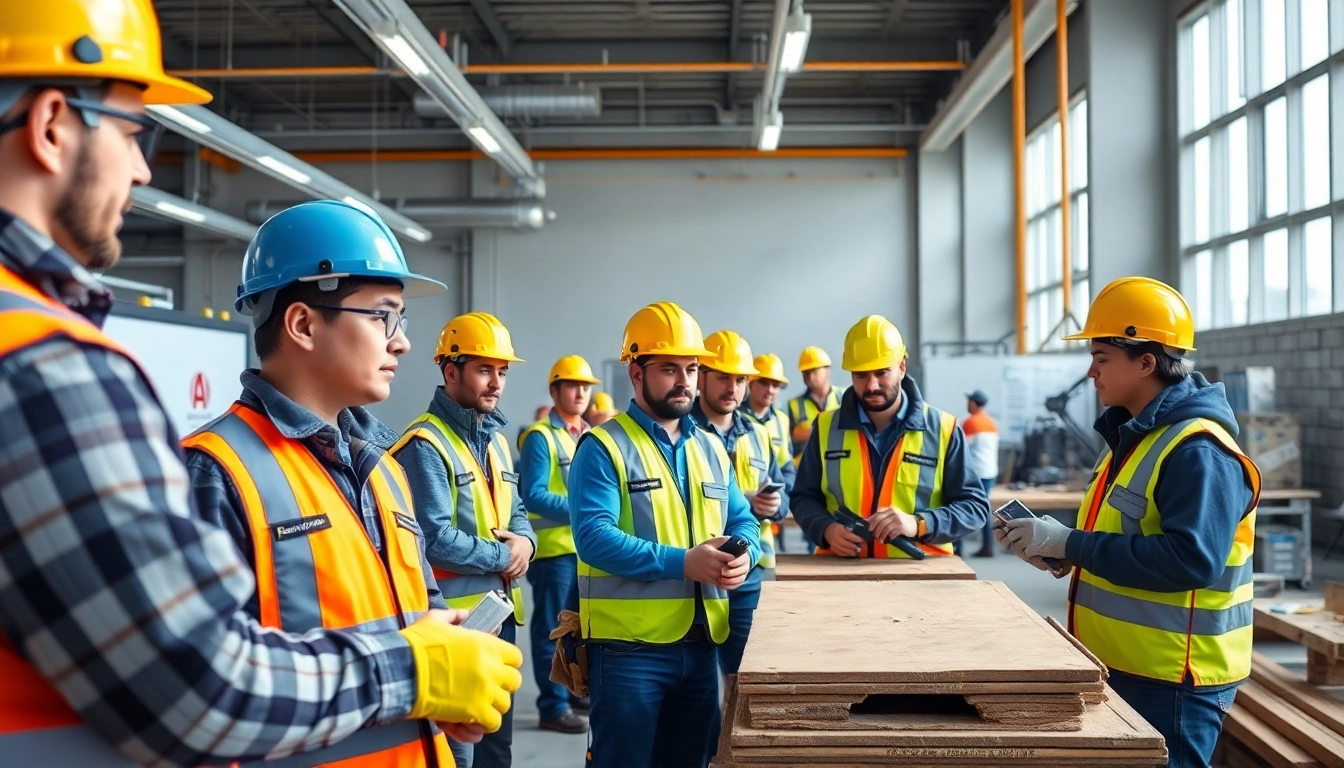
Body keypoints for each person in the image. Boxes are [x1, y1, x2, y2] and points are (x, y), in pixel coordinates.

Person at [0, 2, 521, 765]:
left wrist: (441, 660)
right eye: (134, 131)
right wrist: (413, 670)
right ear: (52, 124)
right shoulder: (45, 364)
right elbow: (195, 685)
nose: (145, 168)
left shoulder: (377, 462)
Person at [183, 199, 483, 764]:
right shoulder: (214, 473)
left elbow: (423, 609)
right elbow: (204, 689)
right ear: (301, 324)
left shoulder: (384, 467)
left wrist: (454, 660)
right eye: (382, 317)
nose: (402, 342)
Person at [999, 277, 1259, 768]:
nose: (1091, 371)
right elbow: (1121, 539)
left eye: (1101, 357)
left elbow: (1191, 561)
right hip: (1121, 665)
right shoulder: (1132, 436)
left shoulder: (1197, 449)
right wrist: (1057, 552)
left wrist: (1072, 543)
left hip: (1172, 681)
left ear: (1146, 362)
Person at [568, 302, 761, 768]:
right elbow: (593, 537)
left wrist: (746, 555)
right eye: (669, 368)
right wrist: (683, 562)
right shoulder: (603, 447)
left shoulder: (711, 446)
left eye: (692, 368)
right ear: (636, 374)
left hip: (699, 651)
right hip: (628, 654)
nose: (685, 381)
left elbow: (743, 520)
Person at [394, 312, 539, 768]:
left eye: (502, 371)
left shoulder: (495, 440)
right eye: (484, 370)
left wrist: (528, 545)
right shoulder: (424, 444)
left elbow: (515, 511)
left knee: (497, 744)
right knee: (459, 750)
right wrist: (506, 554)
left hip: (502, 613)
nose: (495, 382)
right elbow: (435, 539)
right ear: (450, 371)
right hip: (456, 622)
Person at [791, 315, 989, 558]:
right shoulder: (825, 427)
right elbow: (803, 497)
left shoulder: (944, 429)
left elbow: (974, 507)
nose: (872, 385)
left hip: (921, 575)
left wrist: (920, 523)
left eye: (882, 373)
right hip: (841, 574)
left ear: (902, 367)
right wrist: (826, 529)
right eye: (861, 375)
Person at [693, 331, 790, 676]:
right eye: (723, 378)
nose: (733, 388)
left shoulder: (758, 433)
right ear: (701, 376)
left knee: (744, 676)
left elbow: (786, 481)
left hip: (751, 571)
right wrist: (744, 502)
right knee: (697, 684)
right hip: (695, 573)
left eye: (740, 379)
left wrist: (776, 504)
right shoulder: (679, 432)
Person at [517, 355, 601, 735]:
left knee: (576, 629)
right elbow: (532, 494)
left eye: (586, 386)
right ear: (555, 391)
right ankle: (551, 706)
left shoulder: (586, 434)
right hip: (553, 553)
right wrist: (582, 510)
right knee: (550, 630)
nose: (581, 392)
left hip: (583, 550)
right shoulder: (540, 435)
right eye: (572, 385)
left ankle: (571, 694)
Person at [741, 352, 796, 552]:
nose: (771, 390)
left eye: (776, 385)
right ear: (750, 383)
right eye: (764, 383)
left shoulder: (781, 420)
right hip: (738, 516)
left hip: (767, 525)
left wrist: (779, 498)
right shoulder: (734, 418)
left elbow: (786, 468)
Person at [786, 346, 844, 463]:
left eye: (814, 371)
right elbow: (788, 442)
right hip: (805, 469)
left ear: (827, 370)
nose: (810, 377)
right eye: (806, 373)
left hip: (838, 464)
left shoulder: (845, 397)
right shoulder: (793, 405)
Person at [962, 389, 1000, 558]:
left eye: (969, 401)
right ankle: (988, 546)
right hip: (989, 471)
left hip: (975, 472)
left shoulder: (970, 422)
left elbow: (962, 449)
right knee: (984, 507)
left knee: (961, 506)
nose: (967, 404)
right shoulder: (991, 423)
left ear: (975, 404)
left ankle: (959, 548)